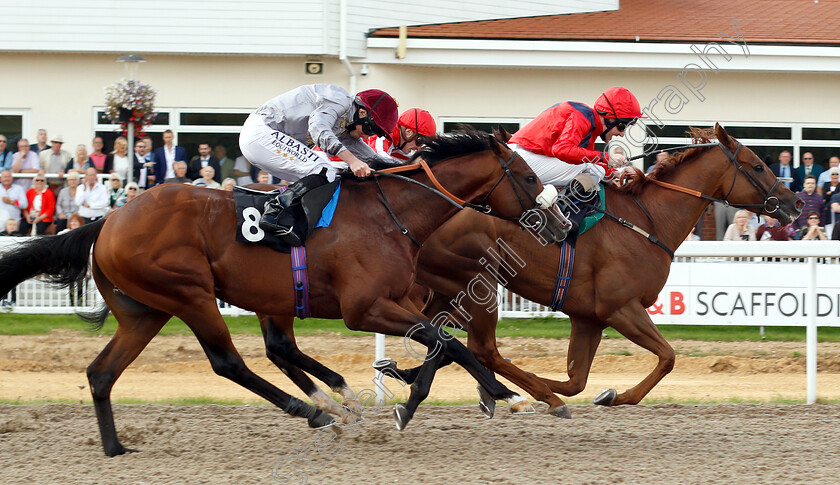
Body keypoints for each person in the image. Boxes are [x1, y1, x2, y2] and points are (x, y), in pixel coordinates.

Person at [238, 84, 399, 242]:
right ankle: (275, 211)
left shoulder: (346, 123)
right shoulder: (339, 101)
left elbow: (368, 155)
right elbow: (319, 130)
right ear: (362, 112)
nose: (367, 136)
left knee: (333, 173)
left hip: (266, 140)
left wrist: (403, 167)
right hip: (261, 132)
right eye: (371, 130)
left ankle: (292, 217)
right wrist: (353, 161)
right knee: (324, 170)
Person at [507, 86, 643, 228]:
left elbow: (581, 160)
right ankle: (558, 210)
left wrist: (617, 173)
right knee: (594, 169)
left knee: (596, 169)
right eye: (622, 126)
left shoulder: (589, 124)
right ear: (609, 118)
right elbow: (562, 150)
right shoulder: (582, 117)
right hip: (521, 160)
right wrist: (605, 157)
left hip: (526, 158)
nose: (622, 134)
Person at [367, 108, 436, 160]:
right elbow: (378, 156)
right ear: (409, 132)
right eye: (420, 141)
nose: (419, 149)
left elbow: (403, 159)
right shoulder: (385, 131)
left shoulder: (396, 143)